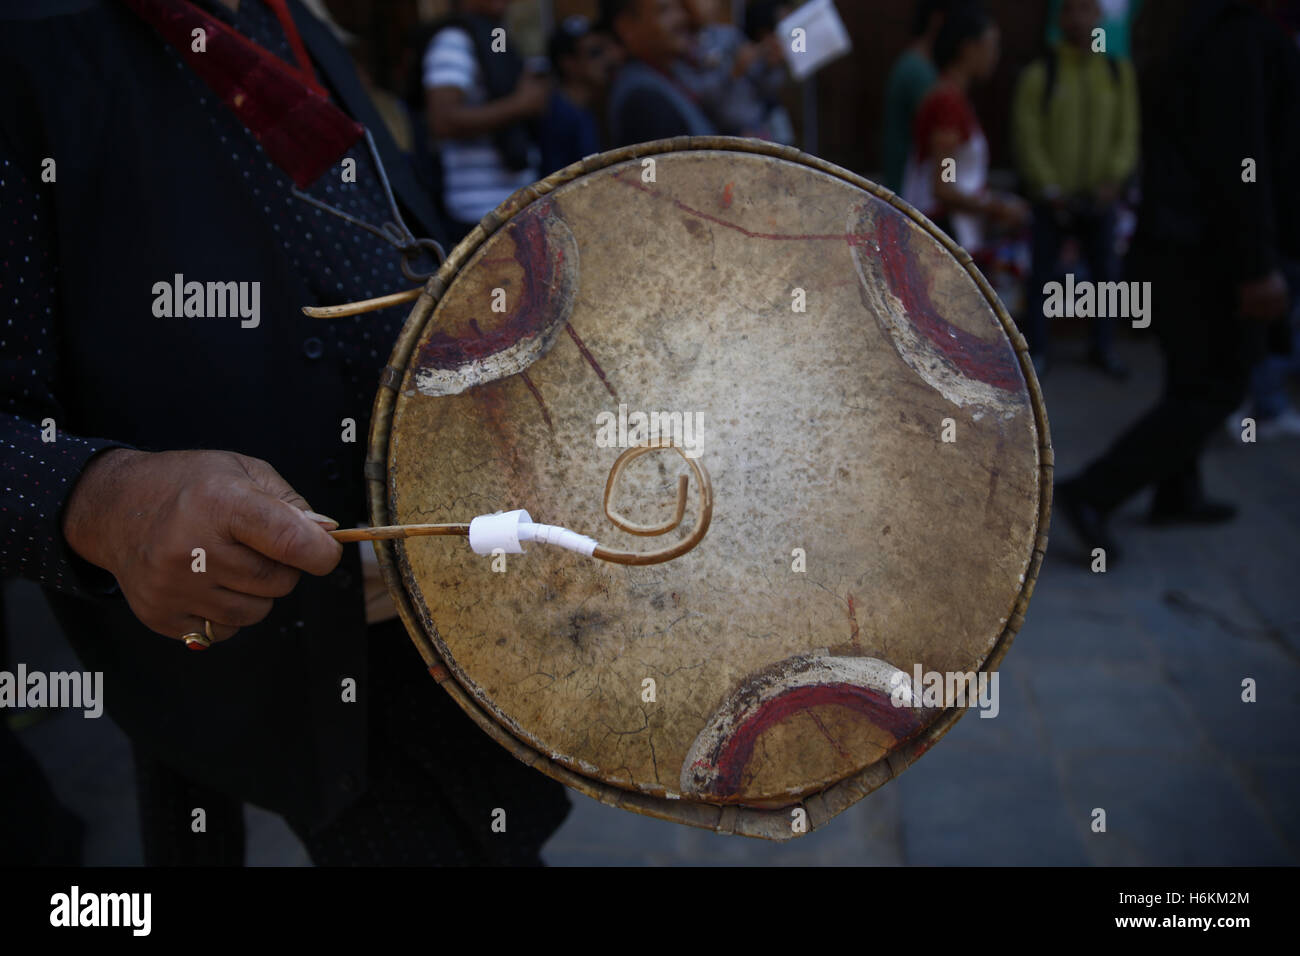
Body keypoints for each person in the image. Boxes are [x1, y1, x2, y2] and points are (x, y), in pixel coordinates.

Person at [0, 0, 570, 865]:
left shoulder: (288, 22)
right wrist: (99, 499)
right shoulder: (29, 41)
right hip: (263, 649)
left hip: (436, 607)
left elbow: (396, 236)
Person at [1055, 0, 1300, 564]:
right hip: (1209, 251)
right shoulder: (1232, 35)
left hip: (1176, 242)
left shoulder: (1185, 28)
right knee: (1215, 387)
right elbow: (1245, 160)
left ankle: (1176, 491)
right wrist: (1257, 262)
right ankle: (1092, 492)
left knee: (1190, 373)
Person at [1013, 0, 1139, 379]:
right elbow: (1027, 134)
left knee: (1106, 277)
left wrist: (1113, 179)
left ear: (1099, 17)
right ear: (1060, 18)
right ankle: (1037, 352)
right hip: (1053, 199)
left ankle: (1102, 347)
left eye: (1088, 9)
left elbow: (1127, 132)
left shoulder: (1117, 73)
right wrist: (1048, 185)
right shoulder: (1041, 74)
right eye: (1072, 10)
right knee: (1042, 277)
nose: (1080, 18)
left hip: (1100, 198)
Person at [901, 3, 1029, 255]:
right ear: (968, 48)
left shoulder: (953, 98)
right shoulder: (948, 103)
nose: (996, 54)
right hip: (943, 234)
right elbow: (944, 187)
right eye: (992, 44)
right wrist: (997, 208)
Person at [421, 0, 550, 241]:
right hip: (477, 213)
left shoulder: (496, 34)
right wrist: (519, 105)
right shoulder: (453, 40)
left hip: (513, 204)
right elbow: (442, 120)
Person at [602, 0, 718, 147]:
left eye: (679, 8)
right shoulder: (643, 100)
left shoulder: (664, 75)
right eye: (664, 10)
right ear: (626, 27)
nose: (681, 17)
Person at [673, 0, 791, 141]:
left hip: (758, 129)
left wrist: (771, 66)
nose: (708, 4)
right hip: (716, 137)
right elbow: (697, 97)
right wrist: (732, 73)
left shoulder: (729, 35)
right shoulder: (680, 47)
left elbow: (766, 88)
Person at [878, 0, 951, 193]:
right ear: (938, 20)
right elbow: (942, 143)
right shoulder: (917, 71)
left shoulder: (923, 68)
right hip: (910, 192)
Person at [539, 16, 614, 176]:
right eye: (595, 53)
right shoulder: (560, 115)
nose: (606, 60)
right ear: (569, 63)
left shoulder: (588, 108)